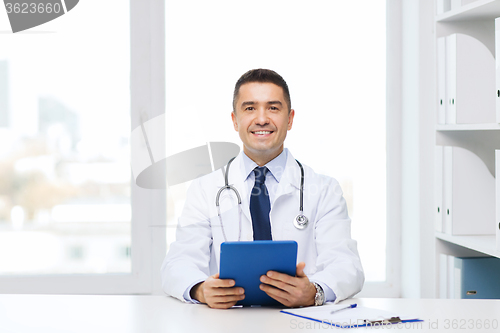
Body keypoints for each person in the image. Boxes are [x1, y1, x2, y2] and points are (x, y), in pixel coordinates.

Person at [161, 69, 364, 309]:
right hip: (227, 323)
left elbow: (346, 265)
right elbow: (178, 262)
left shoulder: (324, 189)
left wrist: (314, 292)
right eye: (250, 108)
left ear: (290, 119)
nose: (261, 119)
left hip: (297, 320)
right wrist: (200, 290)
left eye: (273, 108)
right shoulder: (205, 189)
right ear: (235, 120)